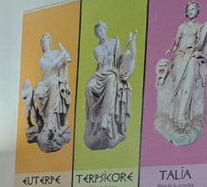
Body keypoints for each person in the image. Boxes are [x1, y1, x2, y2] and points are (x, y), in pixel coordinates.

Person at [153, 0, 207, 145]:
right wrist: (171, 50)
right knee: (177, 86)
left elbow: (202, 43)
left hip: (192, 55)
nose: (192, 11)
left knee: (189, 82)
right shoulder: (182, 26)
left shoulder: (200, 27)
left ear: (197, 11)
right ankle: (175, 114)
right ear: (186, 12)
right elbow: (175, 42)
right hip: (180, 56)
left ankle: (182, 114)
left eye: (194, 9)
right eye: (189, 9)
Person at [84, 20, 137, 150]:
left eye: (101, 30)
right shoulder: (97, 49)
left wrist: (131, 45)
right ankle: (94, 117)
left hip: (112, 72)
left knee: (111, 79)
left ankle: (105, 118)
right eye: (97, 32)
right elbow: (101, 62)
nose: (99, 33)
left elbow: (120, 59)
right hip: (101, 72)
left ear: (105, 29)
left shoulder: (115, 41)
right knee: (89, 87)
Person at [22, 31, 74, 152]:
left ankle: (51, 123)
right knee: (38, 94)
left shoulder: (56, 53)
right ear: (42, 45)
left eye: (47, 41)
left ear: (50, 42)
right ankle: (46, 122)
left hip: (54, 82)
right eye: (43, 42)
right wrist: (62, 56)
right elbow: (50, 67)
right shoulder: (42, 59)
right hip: (44, 83)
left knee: (55, 84)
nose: (46, 44)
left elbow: (63, 65)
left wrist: (65, 60)